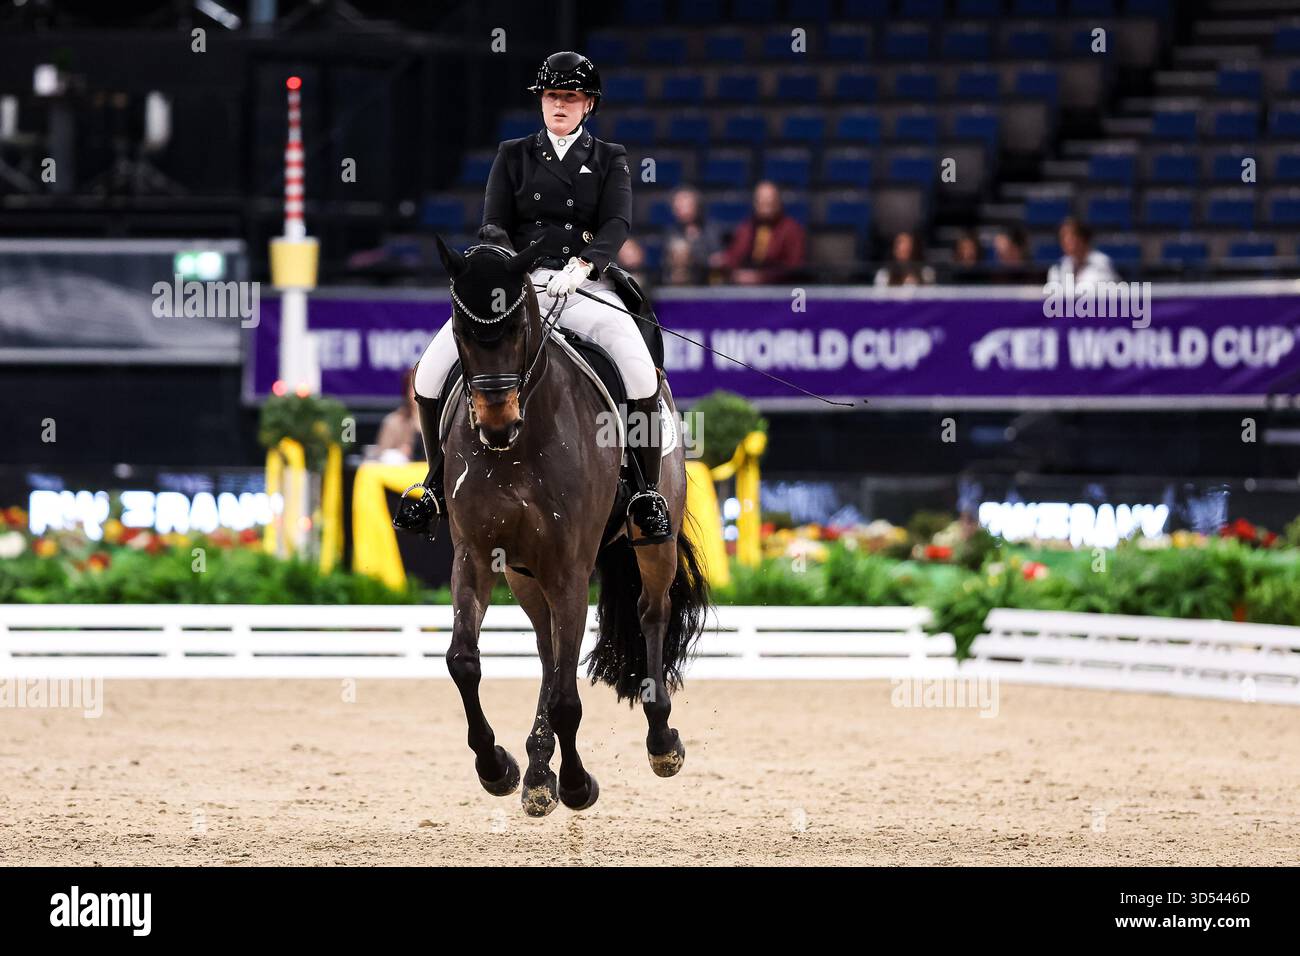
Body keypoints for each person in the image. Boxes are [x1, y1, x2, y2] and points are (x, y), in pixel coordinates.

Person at [393, 50, 671, 544]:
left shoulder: (611, 158)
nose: (559, 105)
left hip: (584, 283)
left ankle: (645, 492)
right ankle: (435, 483)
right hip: (520, 284)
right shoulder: (513, 154)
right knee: (432, 373)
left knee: (638, 371)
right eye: (551, 96)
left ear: (588, 104)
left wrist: (585, 264)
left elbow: (616, 222)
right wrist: (507, 264)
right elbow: (494, 220)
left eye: (570, 97)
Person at [712, 180, 805, 285]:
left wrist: (762, 277)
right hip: (743, 286)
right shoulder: (746, 227)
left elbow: (795, 266)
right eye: (762, 201)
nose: (766, 206)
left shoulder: (791, 229)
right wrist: (724, 261)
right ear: (755, 203)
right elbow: (735, 254)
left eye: (770, 201)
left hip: (778, 289)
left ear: (778, 202)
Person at [660, 186, 721, 285]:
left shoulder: (711, 229)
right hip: (678, 281)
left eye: (685, 205)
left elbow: (716, 257)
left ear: (696, 206)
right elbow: (666, 261)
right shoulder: (671, 232)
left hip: (707, 279)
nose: (680, 210)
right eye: (677, 206)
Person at [1046, 217, 1118, 288]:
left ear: (1084, 238)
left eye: (1071, 236)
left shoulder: (1102, 262)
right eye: (1063, 237)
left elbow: (1107, 293)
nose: (1066, 241)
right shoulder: (1058, 267)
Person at [371, 367, 419, 463]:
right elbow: (380, 458)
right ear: (406, 392)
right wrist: (399, 454)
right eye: (414, 388)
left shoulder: (440, 422)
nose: (419, 393)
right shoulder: (394, 422)